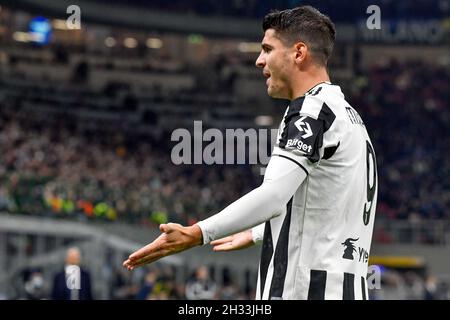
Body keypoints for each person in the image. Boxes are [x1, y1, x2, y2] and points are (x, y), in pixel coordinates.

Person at [123, 6, 378, 300]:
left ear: (298, 53)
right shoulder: (349, 118)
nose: (259, 61)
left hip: (304, 291)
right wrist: (259, 233)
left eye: (267, 49)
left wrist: (198, 233)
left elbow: (273, 196)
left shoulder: (312, 111)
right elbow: (327, 204)